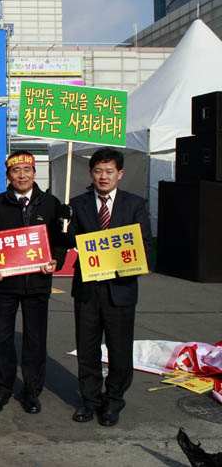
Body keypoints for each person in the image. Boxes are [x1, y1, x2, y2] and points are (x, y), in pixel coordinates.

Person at [68, 147, 152, 427]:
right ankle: (89, 401)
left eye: (109, 171)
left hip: (121, 288)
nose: (103, 176)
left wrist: (130, 263)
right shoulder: (77, 203)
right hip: (88, 289)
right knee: (87, 348)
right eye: (98, 171)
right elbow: (68, 241)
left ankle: (113, 401)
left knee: (119, 349)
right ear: (90, 173)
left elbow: (145, 247)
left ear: (120, 174)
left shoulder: (135, 204)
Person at [0, 151, 69, 414]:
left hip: (37, 282)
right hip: (6, 283)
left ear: (34, 173)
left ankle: (32, 390)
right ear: (8, 175)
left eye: (27, 169)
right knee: (2, 337)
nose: (22, 175)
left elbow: (60, 240)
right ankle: (1, 388)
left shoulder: (51, 204)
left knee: (35, 339)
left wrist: (56, 258)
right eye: (16, 170)